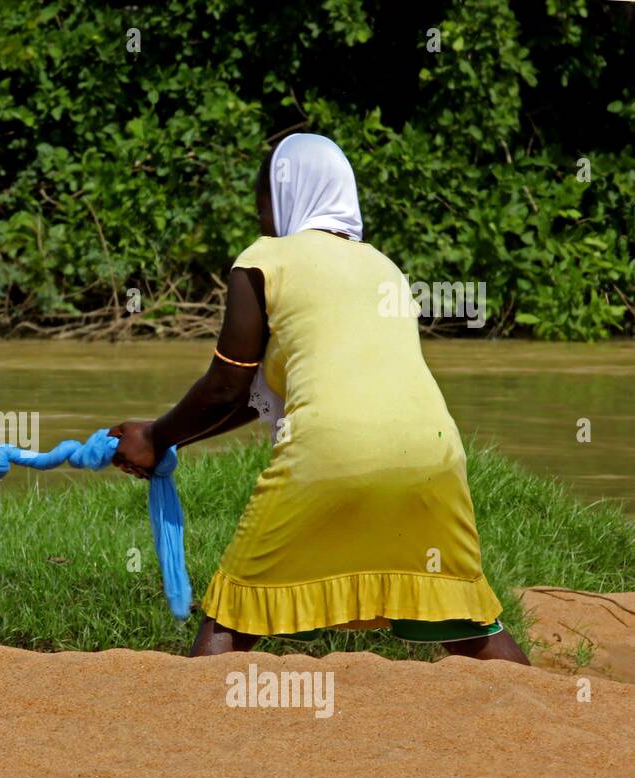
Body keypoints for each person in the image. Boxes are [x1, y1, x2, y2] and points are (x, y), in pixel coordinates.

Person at [110, 133, 528, 665]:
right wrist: (167, 435)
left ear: (286, 198)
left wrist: (156, 436)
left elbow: (227, 385)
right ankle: (560, 726)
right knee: (468, 621)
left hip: (328, 456)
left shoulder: (263, 262)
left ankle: (191, 735)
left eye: (262, 204)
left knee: (233, 615)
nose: (262, 219)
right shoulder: (383, 268)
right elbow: (267, 393)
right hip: (435, 459)